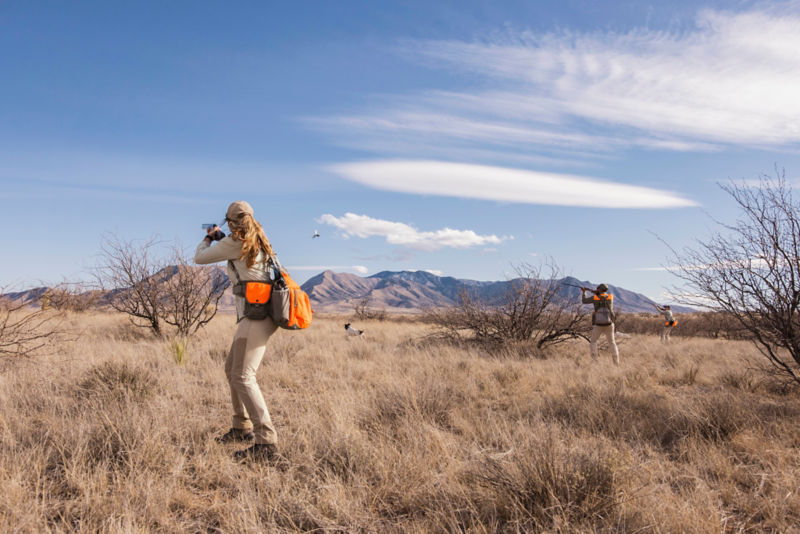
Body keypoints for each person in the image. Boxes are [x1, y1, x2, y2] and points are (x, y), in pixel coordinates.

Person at [195, 201, 280, 462]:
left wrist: (209, 238)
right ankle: (240, 427)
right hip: (260, 314)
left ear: (231, 222)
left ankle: (266, 444)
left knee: (243, 376)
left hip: (256, 316)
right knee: (232, 368)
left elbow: (199, 258)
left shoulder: (235, 243)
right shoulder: (259, 240)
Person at [581, 283, 620, 365]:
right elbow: (602, 297)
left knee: (593, 342)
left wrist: (584, 292)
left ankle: (595, 361)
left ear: (600, 289)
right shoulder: (610, 297)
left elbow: (584, 301)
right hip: (609, 323)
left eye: (598, 289)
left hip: (598, 324)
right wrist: (595, 292)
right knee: (612, 342)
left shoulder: (595, 297)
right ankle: (616, 362)